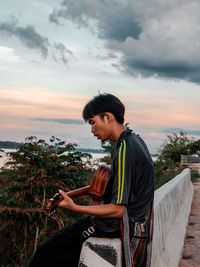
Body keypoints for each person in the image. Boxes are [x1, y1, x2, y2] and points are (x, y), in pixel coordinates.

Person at [29, 93, 154, 267]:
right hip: (134, 225)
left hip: (119, 227)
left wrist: (76, 207)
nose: (92, 129)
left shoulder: (125, 148)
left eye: (92, 122)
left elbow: (118, 209)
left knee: (45, 254)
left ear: (108, 117)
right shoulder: (135, 140)